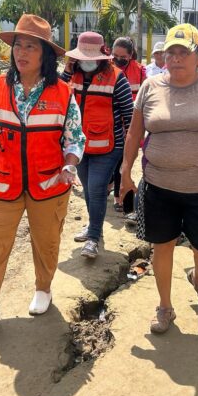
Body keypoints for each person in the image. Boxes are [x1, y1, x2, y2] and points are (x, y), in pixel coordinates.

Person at [0, 14, 85, 329]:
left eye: (30, 47)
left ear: (46, 55)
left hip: (49, 182)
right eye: (18, 46)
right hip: (4, 180)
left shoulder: (62, 93)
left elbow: (75, 137)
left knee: (46, 240)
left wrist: (69, 164)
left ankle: (43, 289)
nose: (21, 53)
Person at [120, 23, 198, 334]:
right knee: (162, 247)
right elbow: (135, 132)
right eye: (170, 53)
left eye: (182, 53)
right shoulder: (150, 87)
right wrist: (125, 171)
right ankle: (165, 307)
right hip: (158, 187)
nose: (175, 59)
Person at [62, 31, 133, 259]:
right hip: (78, 148)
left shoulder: (116, 77)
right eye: (83, 57)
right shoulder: (72, 75)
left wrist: (129, 154)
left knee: (96, 188)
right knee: (88, 190)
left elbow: (129, 116)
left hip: (109, 147)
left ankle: (93, 238)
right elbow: (54, 95)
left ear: (102, 55)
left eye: (91, 58)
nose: (87, 62)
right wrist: (66, 70)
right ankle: (95, 228)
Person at [110, 36, 146, 211]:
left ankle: (120, 197)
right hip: (112, 123)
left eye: (122, 56)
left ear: (131, 55)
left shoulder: (140, 71)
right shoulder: (106, 68)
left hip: (132, 123)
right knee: (116, 160)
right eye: (114, 55)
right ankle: (117, 194)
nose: (117, 59)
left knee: (125, 160)